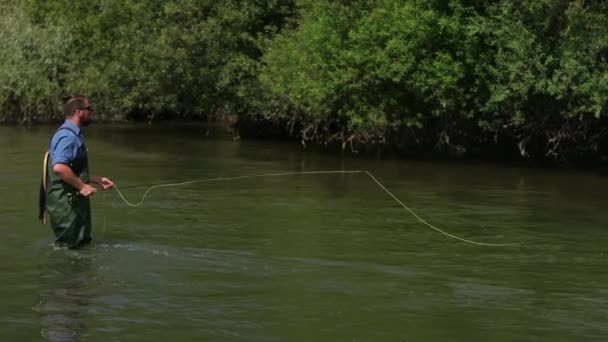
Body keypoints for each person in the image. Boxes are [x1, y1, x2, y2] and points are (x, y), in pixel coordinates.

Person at [40, 94, 114, 248]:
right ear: (78, 112)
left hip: (72, 205)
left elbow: (70, 168)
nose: (91, 112)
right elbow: (59, 167)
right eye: (89, 109)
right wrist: (82, 186)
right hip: (67, 207)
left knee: (79, 247)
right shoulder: (68, 137)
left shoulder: (71, 134)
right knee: (71, 249)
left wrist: (94, 180)